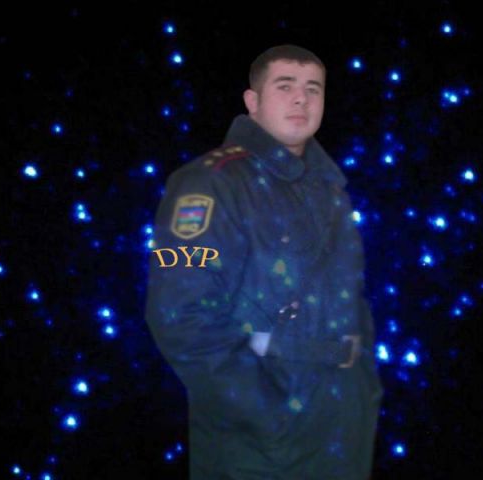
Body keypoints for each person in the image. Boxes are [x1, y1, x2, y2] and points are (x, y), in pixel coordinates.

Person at [144, 44, 384, 480]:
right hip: (258, 448)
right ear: (252, 101)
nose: (301, 99)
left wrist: (366, 389)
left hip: (340, 430)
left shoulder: (330, 191)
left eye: (313, 89)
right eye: (285, 86)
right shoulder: (208, 184)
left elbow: (353, 302)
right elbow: (179, 316)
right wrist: (266, 414)